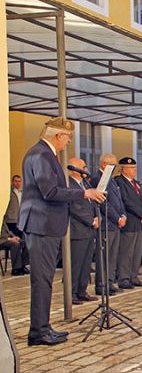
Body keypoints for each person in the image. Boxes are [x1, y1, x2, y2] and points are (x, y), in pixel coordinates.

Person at [19, 117, 105, 346]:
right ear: (58, 136)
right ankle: (38, 331)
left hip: (46, 224)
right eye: (67, 138)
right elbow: (50, 192)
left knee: (45, 278)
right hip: (41, 224)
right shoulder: (41, 155)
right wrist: (83, 194)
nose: (68, 142)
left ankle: (43, 326)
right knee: (42, 279)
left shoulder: (44, 154)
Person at [90, 153, 126, 296]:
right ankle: (102, 284)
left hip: (116, 223)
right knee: (104, 256)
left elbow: (119, 200)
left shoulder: (111, 180)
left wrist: (123, 214)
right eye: (113, 165)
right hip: (107, 223)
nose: (115, 168)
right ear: (104, 164)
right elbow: (103, 201)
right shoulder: (98, 179)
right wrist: (117, 217)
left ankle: (109, 282)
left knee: (112, 256)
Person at [115, 157, 142, 289]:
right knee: (126, 252)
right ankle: (123, 278)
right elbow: (126, 201)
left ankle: (133, 276)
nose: (134, 170)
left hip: (139, 223)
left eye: (135, 168)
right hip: (130, 221)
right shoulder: (120, 182)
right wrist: (141, 213)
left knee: (136, 251)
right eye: (131, 168)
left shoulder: (135, 183)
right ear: (123, 169)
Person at [68, 158, 99, 305]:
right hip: (77, 230)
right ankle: (72, 293)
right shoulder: (69, 184)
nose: (86, 170)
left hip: (88, 230)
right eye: (83, 167)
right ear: (75, 170)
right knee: (76, 263)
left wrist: (96, 217)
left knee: (86, 263)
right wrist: (91, 220)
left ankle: (82, 290)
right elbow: (74, 208)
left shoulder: (85, 184)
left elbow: (92, 203)